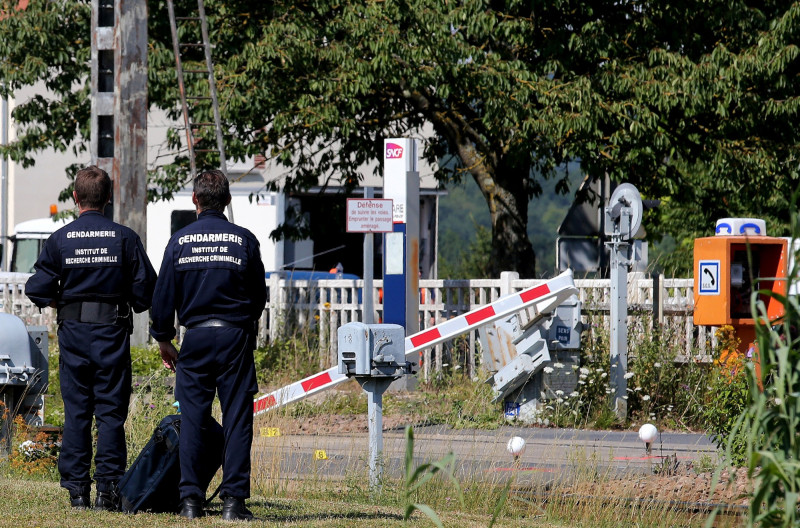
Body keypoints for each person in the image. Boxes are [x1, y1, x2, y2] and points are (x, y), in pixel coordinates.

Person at [25, 165, 157, 510]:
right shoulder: (125, 239)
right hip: (112, 333)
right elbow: (146, 293)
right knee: (111, 413)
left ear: (75, 198)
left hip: (73, 336)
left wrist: (63, 301)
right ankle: (108, 490)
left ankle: (77, 491)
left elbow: (36, 288)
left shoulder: (60, 239)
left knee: (77, 412)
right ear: (109, 199)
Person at [149, 169, 267, 521]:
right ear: (228, 201)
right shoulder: (244, 240)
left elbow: (162, 298)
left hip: (195, 338)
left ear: (194, 200)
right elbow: (258, 296)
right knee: (237, 419)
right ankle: (233, 503)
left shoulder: (179, 241)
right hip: (235, 338)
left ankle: (190, 502)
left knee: (194, 420)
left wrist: (164, 339)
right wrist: (243, 327)